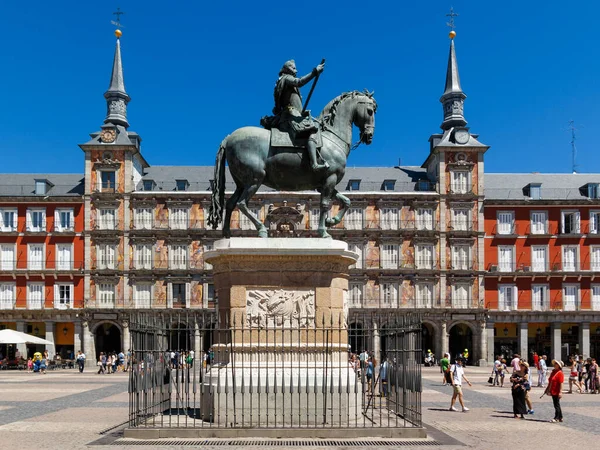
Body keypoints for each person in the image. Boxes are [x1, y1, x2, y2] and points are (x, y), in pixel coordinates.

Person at [261, 59, 328, 172]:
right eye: (293, 68)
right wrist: (314, 72)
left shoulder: (282, 82)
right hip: (290, 116)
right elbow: (299, 82)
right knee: (311, 130)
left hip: (292, 114)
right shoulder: (287, 78)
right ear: (287, 69)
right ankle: (314, 164)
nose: (296, 70)